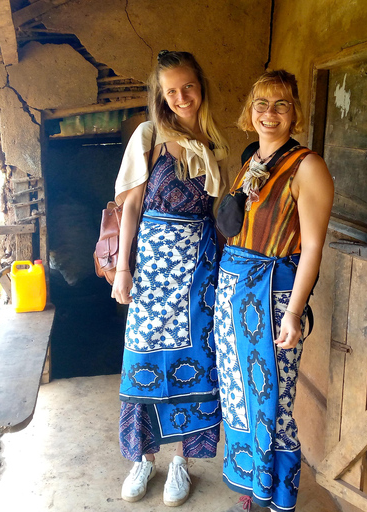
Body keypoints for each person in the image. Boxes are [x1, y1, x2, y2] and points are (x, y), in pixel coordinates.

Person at [111, 50, 230, 507]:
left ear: (202, 88)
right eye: (172, 91)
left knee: (199, 365)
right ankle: (143, 459)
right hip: (152, 273)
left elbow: (222, 218)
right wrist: (124, 267)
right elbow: (132, 209)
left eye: (189, 87)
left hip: (200, 276)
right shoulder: (148, 137)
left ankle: (182, 461)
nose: (182, 98)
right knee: (142, 362)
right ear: (161, 96)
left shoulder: (216, 146)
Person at [215, 70, 334, 512]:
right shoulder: (252, 161)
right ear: (250, 112)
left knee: (274, 403)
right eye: (261, 104)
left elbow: (313, 247)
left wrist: (293, 312)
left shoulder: (308, 167)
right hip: (235, 295)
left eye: (281, 105)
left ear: (294, 112)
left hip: (273, 297)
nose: (270, 114)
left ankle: (279, 499)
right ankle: (253, 489)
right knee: (241, 396)